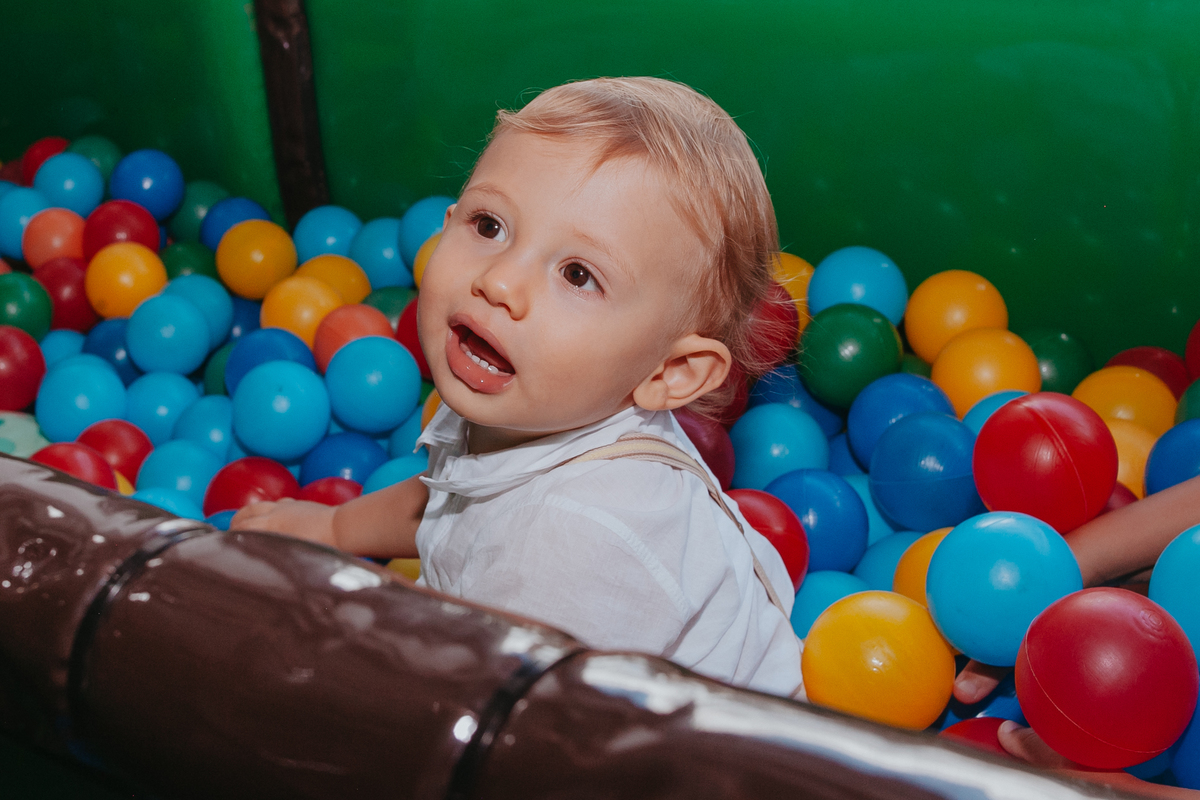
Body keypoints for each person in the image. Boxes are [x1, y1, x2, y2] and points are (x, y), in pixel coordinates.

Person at [231, 76, 804, 698]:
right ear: (446, 222)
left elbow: (479, 694)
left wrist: (338, 592)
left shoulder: (571, 543)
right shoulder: (537, 400)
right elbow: (451, 496)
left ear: (670, 373)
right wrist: (335, 531)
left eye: (578, 275)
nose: (501, 281)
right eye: (489, 226)